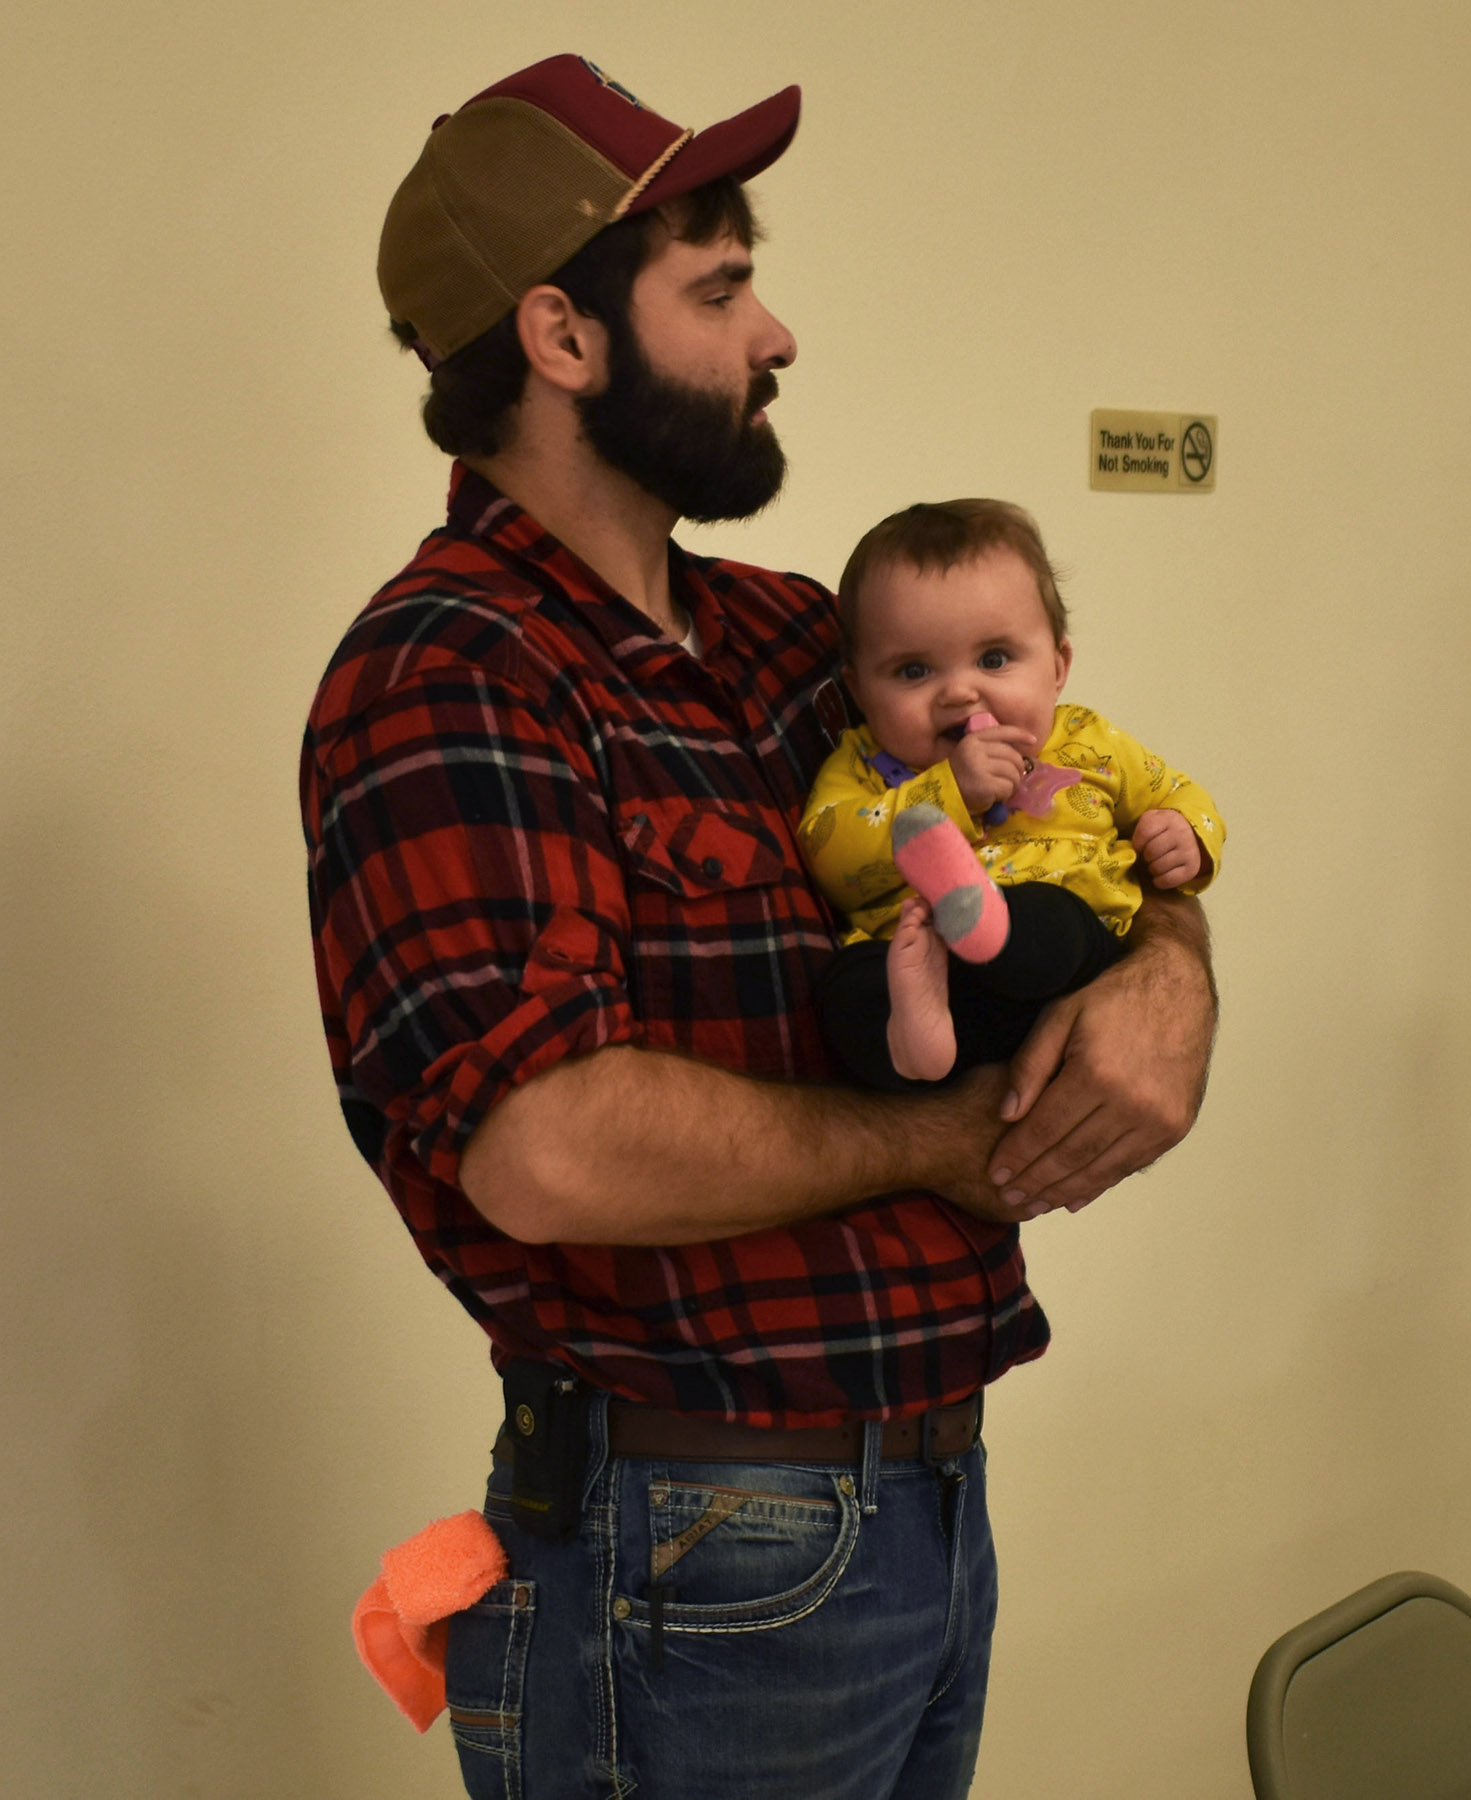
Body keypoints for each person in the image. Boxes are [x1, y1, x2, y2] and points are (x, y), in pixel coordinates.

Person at [301, 53, 1218, 1800]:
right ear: (563, 340)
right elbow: (548, 1147)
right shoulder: (446, 673)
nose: (775, 333)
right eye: (718, 288)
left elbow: (1090, 817)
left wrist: (1173, 970)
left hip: (919, 1504)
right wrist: (948, 1134)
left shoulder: (805, 638)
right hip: (694, 1542)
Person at [801, 498, 1223, 1086]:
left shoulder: (1084, 739)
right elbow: (829, 852)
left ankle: (989, 929)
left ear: (1057, 665)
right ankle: (915, 1038)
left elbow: (1178, 792)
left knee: (1054, 919)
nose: (959, 692)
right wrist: (949, 791)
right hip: (939, 984)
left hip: (1063, 974)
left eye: (993, 659)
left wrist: (1188, 837)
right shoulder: (864, 764)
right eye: (913, 671)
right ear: (860, 690)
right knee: (846, 991)